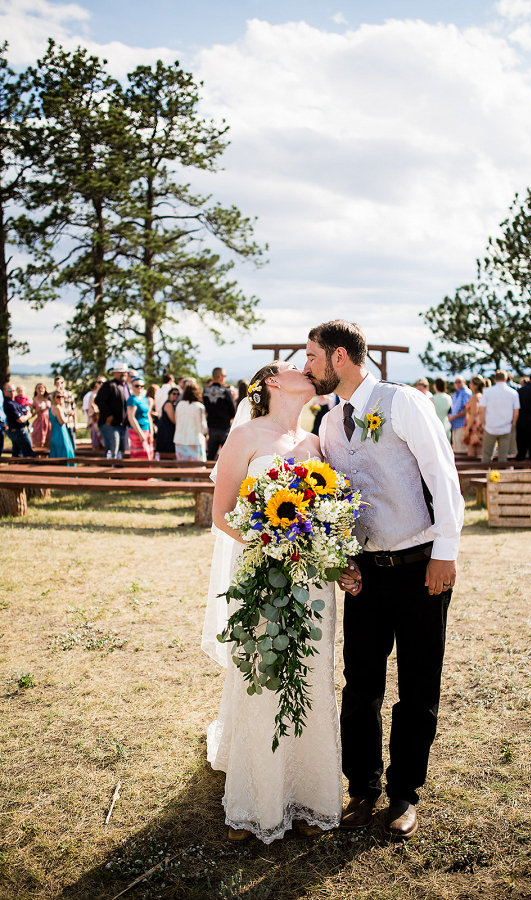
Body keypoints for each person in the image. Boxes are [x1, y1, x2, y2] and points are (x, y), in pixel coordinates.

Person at [304, 320, 464, 841]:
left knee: (418, 686)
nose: (308, 366)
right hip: (367, 576)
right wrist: (341, 558)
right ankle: (362, 788)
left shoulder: (404, 403)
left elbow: (443, 476)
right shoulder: (328, 425)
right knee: (361, 685)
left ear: (341, 357)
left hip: (421, 568)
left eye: (312, 356)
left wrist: (445, 552)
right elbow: (334, 501)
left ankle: (404, 794)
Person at [203, 360, 342, 843]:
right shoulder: (245, 437)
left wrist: (321, 546)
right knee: (261, 675)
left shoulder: (318, 443)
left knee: (310, 673)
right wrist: (271, 540)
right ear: (272, 384)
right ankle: (255, 797)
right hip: (262, 573)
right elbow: (222, 514)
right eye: (295, 366)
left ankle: (307, 793)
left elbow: (328, 512)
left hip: (311, 578)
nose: (308, 369)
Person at [479, 370, 520, 463]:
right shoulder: (513, 393)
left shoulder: (487, 392)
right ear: (506, 379)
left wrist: (483, 423)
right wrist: (512, 424)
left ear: (495, 379)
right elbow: (516, 412)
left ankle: (486, 475)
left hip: (490, 427)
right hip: (506, 428)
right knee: (503, 457)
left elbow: (481, 410)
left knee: (486, 456)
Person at [95, 363, 129, 458]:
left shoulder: (126, 386)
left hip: (123, 424)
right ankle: (108, 470)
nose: (123, 374)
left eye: (125, 372)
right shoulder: (109, 385)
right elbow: (99, 400)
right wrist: (108, 414)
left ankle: (118, 470)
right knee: (113, 449)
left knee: (121, 451)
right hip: (110, 424)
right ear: (115, 373)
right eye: (120, 372)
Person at [203, 367, 236, 460]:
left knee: (211, 456)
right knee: (228, 457)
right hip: (224, 427)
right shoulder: (226, 391)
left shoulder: (206, 391)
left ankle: (208, 474)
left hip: (212, 427)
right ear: (220, 376)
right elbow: (232, 410)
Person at [174, 381, 208, 461]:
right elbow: (202, 427)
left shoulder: (179, 405)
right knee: (197, 470)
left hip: (180, 439)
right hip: (194, 440)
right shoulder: (199, 407)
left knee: (182, 470)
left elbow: (176, 420)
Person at [3, 383, 34, 457]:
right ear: (4, 391)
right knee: (28, 454)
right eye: (9, 390)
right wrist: (28, 415)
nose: (12, 392)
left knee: (17, 454)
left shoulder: (14, 402)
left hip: (16, 431)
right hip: (19, 431)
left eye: (14, 390)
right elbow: (19, 420)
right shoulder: (9, 404)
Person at [126, 377, 154, 460]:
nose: (139, 388)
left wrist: (151, 432)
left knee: (149, 454)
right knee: (141, 455)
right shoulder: (132, 400)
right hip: (137, 431)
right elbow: (131, 418)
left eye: (142, 386)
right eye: (137, 385)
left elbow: (148, 415)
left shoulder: (145, 399)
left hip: (146, 429)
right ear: (132, 386)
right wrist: (140, 433)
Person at [462, 376, 484, 458]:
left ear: (475, 385)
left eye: (471, 383)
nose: (469, 384)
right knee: (479, 453)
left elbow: (473, 413)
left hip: (474, 427)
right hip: (480, 426)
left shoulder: (475, 397)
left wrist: (467, 429)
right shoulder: (482, 395)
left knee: (472, 453)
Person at [49, 392, 75, 461]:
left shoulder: (51, 408)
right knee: (65, 452)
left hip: (54, 433)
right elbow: (62, 422)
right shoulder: (58, 408)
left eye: (62, 396)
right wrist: (68, 416)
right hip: (61, 433)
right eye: (58, 397)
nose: (60, 398)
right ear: (54, 398)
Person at [53, 376, 78, 450]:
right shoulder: (52, 395)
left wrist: (75, 424)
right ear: (54, 384)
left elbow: (74, 409)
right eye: (57, 383)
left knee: (72, 445)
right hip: (58, 425)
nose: (60, 385)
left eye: (61, 383)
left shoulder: (69, 394)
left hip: (69, 423)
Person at [448, 376, 471, 453]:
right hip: (455, 424)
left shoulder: (466, 393)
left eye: (459, 382)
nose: (457, 384)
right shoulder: (456, 393)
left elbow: (467, 409)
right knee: (456, 448)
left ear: (464, 382)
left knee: (462, 449)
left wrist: (456, 416)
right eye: (456, 382)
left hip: (462, 424)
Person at [155, 386, 179, 456]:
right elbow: (173, 420)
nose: (176, 396)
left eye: (178, 394)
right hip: (166, 433)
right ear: (169, 394)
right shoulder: (168, 404)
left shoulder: (173, 404)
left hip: (169, 432)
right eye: (174, 394)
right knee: (167, 454)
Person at [83, 377, 106, 450]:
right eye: (99, 382)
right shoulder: (93, 396)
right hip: (96, 423)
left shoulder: (107, 395)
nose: (101, 384)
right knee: (97, 446)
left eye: (103, 382)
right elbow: (92, 410)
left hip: (105, 423)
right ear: (96, 384)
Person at [31, 383, 52, 448]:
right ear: (36, 390)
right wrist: (37, 410)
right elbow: (30, 415)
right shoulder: (33, 400)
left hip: (49, 422)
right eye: (39, 388)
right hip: (40, 423)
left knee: (48, 444)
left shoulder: (48, 398)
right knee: (39, 444)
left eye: (42, 388)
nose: (41, 389)